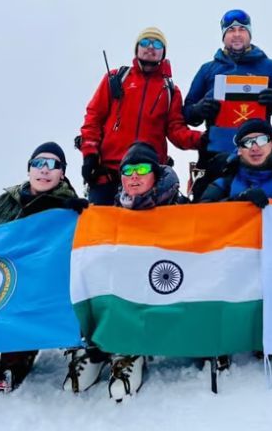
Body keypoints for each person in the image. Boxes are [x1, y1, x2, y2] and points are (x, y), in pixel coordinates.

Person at [0, 142, 88, 399]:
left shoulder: (69, 209)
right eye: (38, 163)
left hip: (36, 290)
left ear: (62, 173)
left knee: (24, 308)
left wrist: (82, 218)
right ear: (29, 169)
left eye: (53, 165)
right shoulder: (3, 202)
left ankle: (18, 355)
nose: (44, 170)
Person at [64, 142, 187, 401]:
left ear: (155, 173)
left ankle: (130, 352)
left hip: (164, 290)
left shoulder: (179, 206)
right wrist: (78, 219)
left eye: (141, 169)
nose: (134, 176)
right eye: (127, 170)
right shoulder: (112, 210)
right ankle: (98, 348)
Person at [80, 27, 202, 205]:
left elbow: (176, 131)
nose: (150, 47)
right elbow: (93, 118)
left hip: (149, 178)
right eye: (145, 42)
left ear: (163, 52)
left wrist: (204, 140)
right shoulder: (116, 78)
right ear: (137, 48)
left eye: (157, 44)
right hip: (107, 175)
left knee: (150, 232)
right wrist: (89, 155)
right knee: (101, 230)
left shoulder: (170, 91)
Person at [182, 9, 272, 165]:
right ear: (223, 36)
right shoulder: (208, 69)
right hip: (216, 153)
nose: (237, 34)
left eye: (242, 29)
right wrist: (199, 109)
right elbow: (187, 114)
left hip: (259, 152)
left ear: (249, 34)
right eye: (231, 30)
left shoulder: (269, 67)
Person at [198, 118, 272, 207]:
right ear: (239, 150)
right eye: (247, 142)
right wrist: (237, 202)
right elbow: (205, 213)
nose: (254, 148)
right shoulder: (227, 179)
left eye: (261, 140)